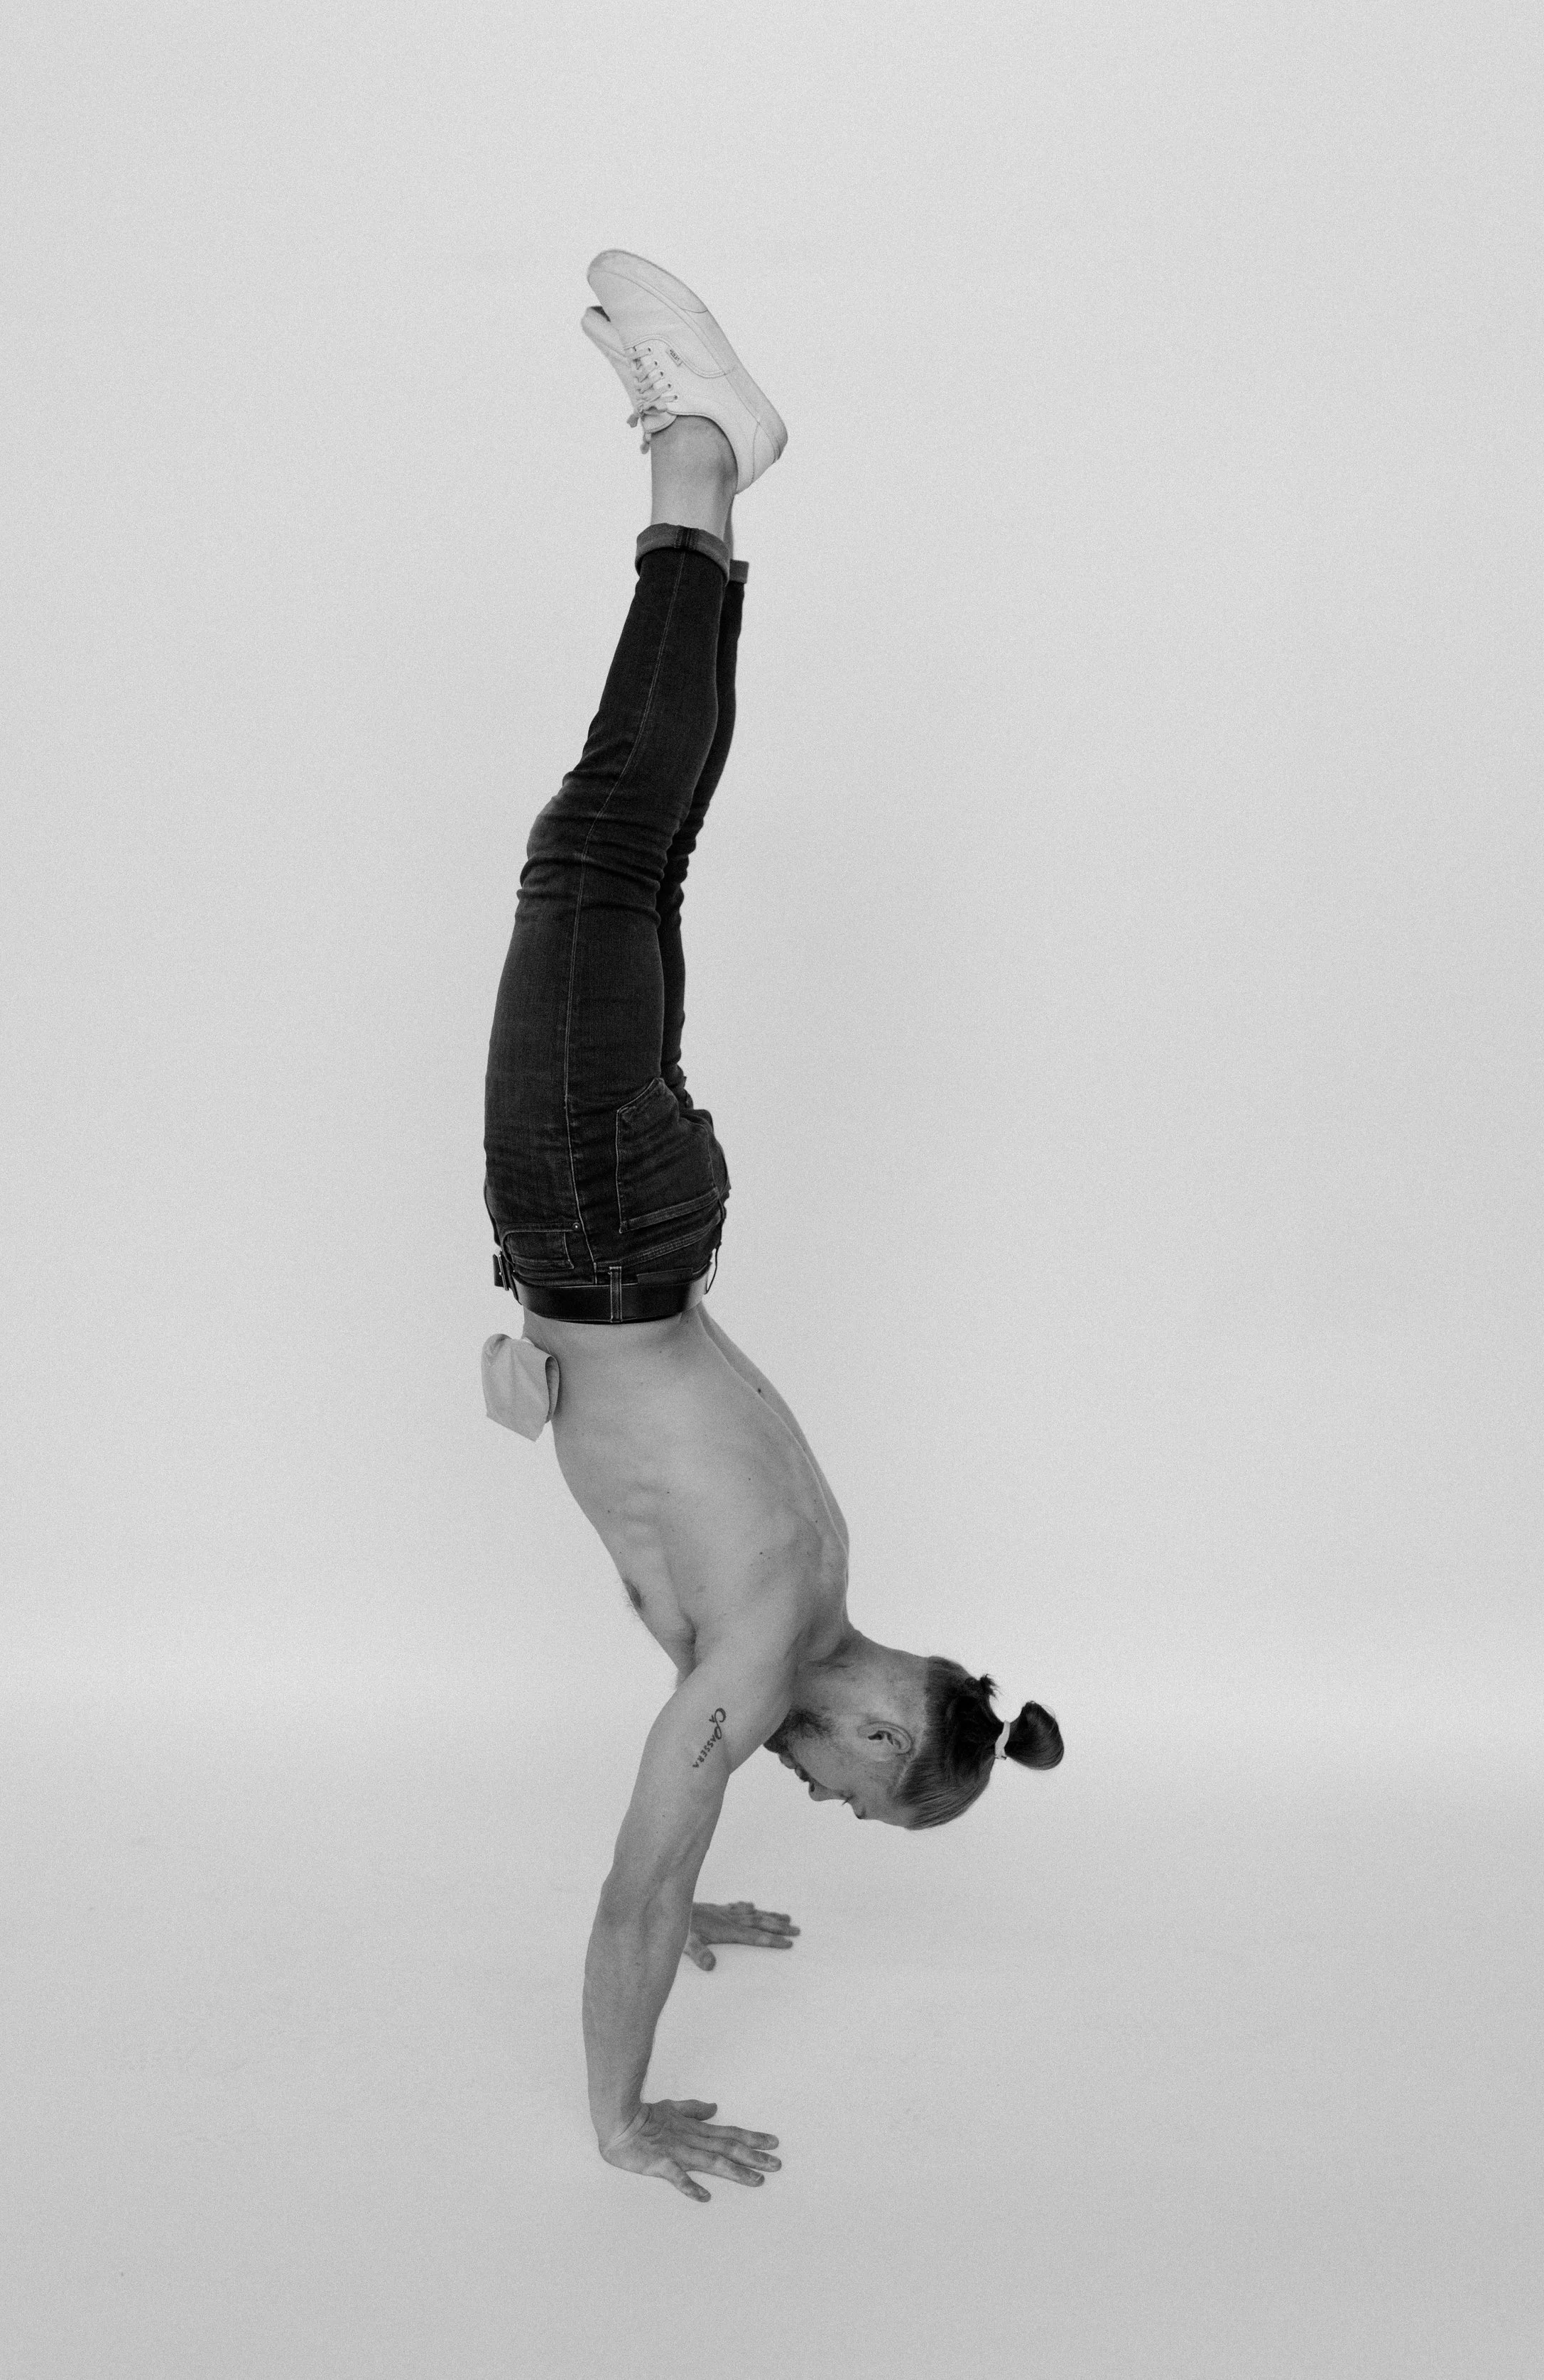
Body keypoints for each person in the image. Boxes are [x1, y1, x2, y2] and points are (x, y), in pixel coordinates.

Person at [481, 252, 1062, 2204]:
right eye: (855, 1797)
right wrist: (623, 2107)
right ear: (884, 1727)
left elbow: (657, 1467)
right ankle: (699, 466)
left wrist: (539, 1370)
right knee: (600, 841)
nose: (807, 1796)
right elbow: (641, 1870)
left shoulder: (808, 1588)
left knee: (623, 849)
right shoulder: (755, 1649)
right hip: (600, 1216)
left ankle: (702, 485)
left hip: (631, 1245)